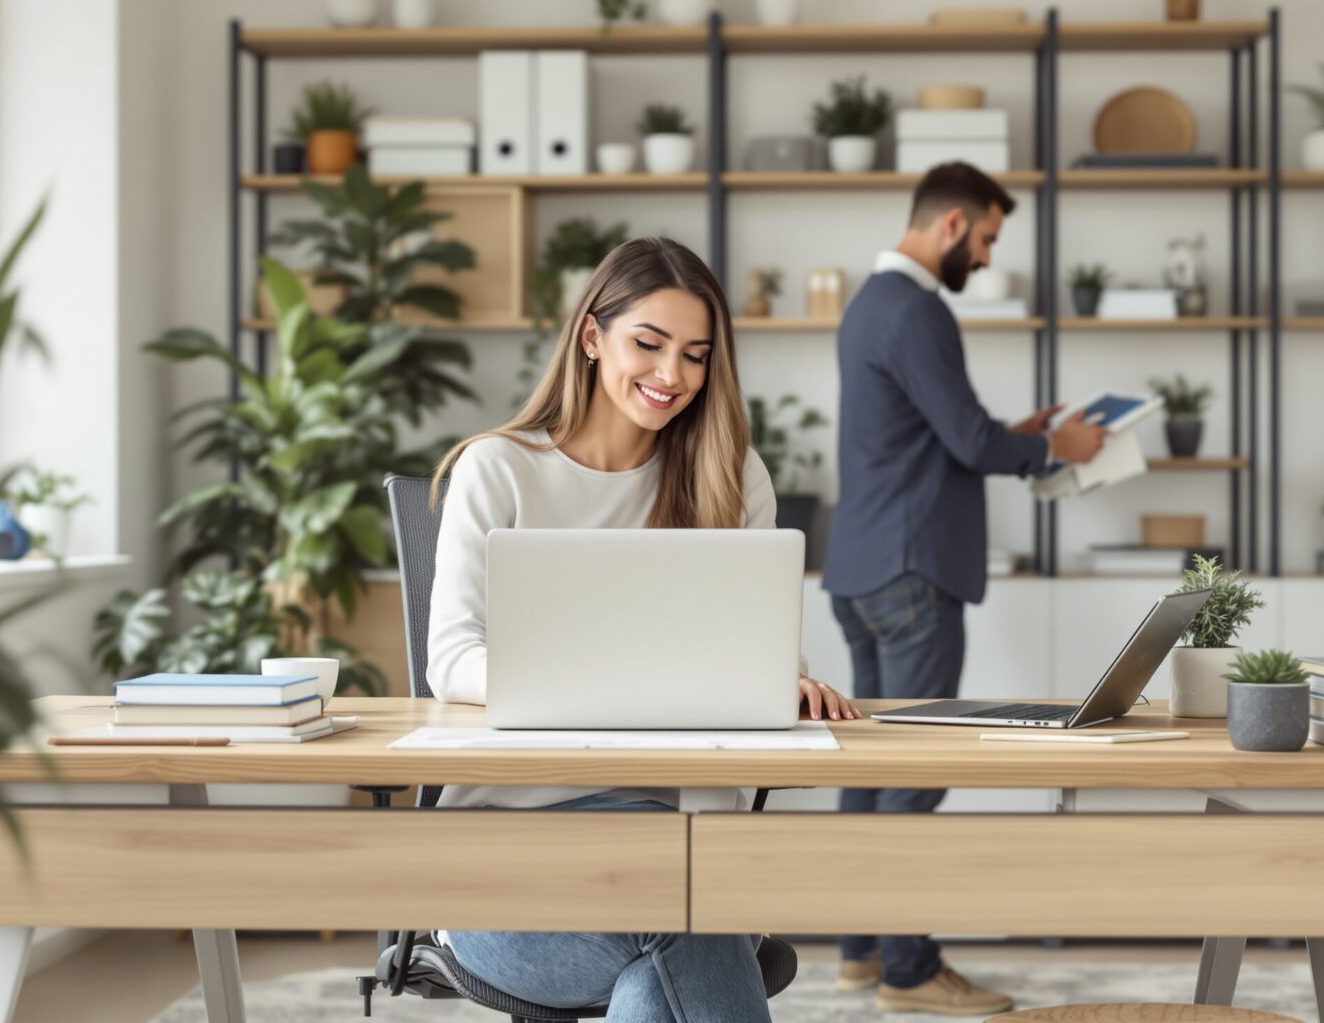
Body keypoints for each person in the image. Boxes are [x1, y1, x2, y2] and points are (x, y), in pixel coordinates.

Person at [426, 235, 859, 1022]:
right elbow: (452, 663)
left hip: (679, 839)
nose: (671, 376)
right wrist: (611, 687)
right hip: (500, 862)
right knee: (690, 924)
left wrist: (779, 683)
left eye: (695, 355)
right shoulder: (500, 470)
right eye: (648, 344)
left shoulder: (731, 479)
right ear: (592, 337)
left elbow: (761, 660)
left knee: (673, 939)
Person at [822, 162, 1109, 1015]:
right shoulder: (918, 309)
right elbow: (969, 443)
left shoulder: (869, 304)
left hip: (862, 566)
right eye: (985, 239)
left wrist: (1006, 435)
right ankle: (910, 972)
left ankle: (860, 951)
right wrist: (1061, 449)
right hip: (913, 573)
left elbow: (943, 433)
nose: (985, 258)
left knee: (872, 770)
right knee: (917, 771)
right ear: (951, 224)